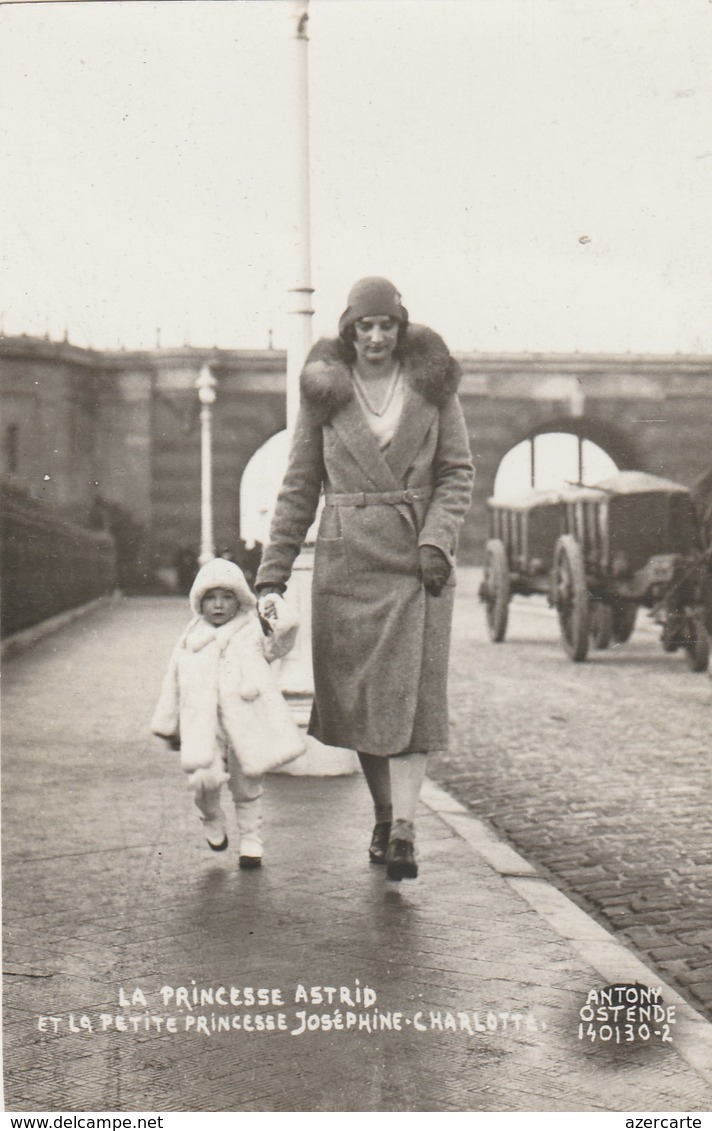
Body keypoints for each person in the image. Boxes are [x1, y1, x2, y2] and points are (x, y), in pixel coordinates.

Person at [255, 277, 474, 881]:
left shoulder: (433, 388)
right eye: (365, 327)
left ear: (402, 330)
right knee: (363, 702)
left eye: (387, 326)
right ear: (349, 331)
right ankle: (383, 815)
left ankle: (404, 831)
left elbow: (457, 472)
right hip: (348, 564)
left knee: (413, 699)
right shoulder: (325, 394)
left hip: (417, 565)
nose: (376, 338)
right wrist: (271, 576)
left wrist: (436, 539)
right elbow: (300, 485)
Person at [151, 557, 306, 868]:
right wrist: (168, 723)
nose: (218, 605)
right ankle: (210, 815)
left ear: (240, 600)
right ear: (199, 602)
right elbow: (173, 681)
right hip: (204, 726)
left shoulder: (251, 632)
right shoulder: (191, 639)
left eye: (227, 597)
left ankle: (251, 839)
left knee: (248, 783)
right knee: (203, 781)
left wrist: (279, 617)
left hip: (245, 721)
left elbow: (279, 644)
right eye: (210, 598)